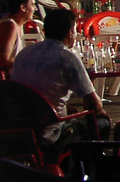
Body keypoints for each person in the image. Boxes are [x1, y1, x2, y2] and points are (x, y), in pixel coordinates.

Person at [12, 9, 111, 149]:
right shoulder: (67, 57)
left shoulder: (24, 53)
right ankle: (86, 169)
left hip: (20, 127)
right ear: (70, 33)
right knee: (102, 122)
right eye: (75, 30)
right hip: (50, 133)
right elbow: (95, 105)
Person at [0, 0, 36, 75]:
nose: (35, 9)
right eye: (33, 5)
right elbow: (3, 60)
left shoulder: (18, 24)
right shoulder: (10, 26)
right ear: (23, 7)